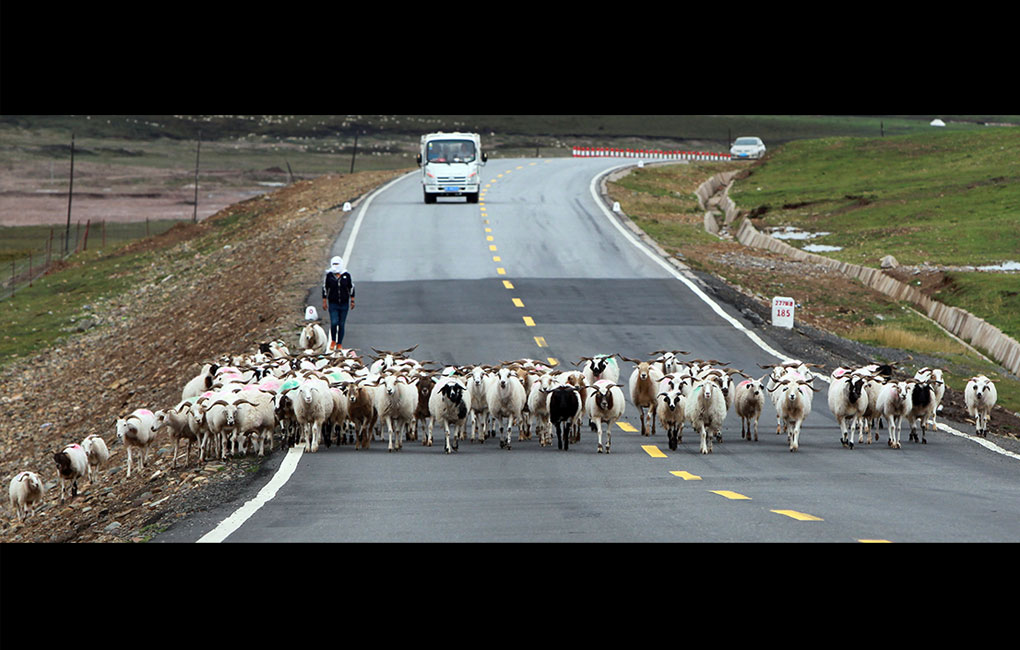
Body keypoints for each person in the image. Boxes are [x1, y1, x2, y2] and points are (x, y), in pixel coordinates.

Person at [321, 256, 355, 351]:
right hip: (333, 303)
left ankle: (339, 343)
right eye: (334, 264)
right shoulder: (329, 276)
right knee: (334, 322)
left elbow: (351, 287)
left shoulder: (346, 275)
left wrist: (352, 300)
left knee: (341, 324)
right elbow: (325, 288)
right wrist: (324, 301)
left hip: (344, 304)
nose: (336, 266)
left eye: (337, 264)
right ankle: (333, 340)